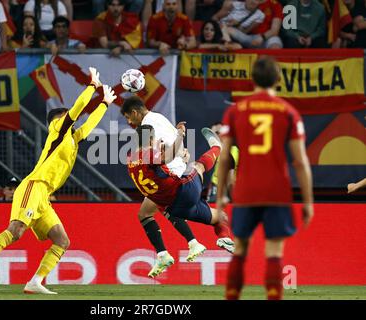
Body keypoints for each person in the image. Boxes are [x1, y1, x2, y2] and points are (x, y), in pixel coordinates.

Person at [0, 68, 117, 294]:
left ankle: (35, 281)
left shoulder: (72, 138)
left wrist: (104, 103)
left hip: (43, 195)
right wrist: (92, 86)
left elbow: (88, 126)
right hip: (34, 186)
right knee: (15, 231)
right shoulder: (57, 128)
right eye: (66, 116)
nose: (71, 120)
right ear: (58, 118)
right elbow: (76, 110)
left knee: (62, 241)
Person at [217, 56, 314, 300]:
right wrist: (308, 202)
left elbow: (226, 157)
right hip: (277, 192)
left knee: (239, 249)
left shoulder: (235, 111)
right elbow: (300, 161)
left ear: (252, 80)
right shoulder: (288, 112)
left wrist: (220, 197)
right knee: (274, 252)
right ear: (279, 79)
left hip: (245, 191)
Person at [121, 96, 229, 278]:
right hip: (172, 179)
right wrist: (180, 141)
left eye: (128, 117)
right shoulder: (155, 123)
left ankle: (180, 247)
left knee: (153, 210)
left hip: (169, 179)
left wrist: (178, 155)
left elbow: (165, 151)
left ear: (134, 112)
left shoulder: (133, 154)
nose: (129, 122)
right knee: (198, 171)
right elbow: (166, 150)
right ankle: (194, 242)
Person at [206, 122, 239, 202]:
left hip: (226, 196)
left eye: (217, 133)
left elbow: (231, 180)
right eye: (211, 134)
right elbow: (215, 177)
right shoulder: (214, 152)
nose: (213, 137)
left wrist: (233, 199)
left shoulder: (232, 150)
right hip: (214, 193)